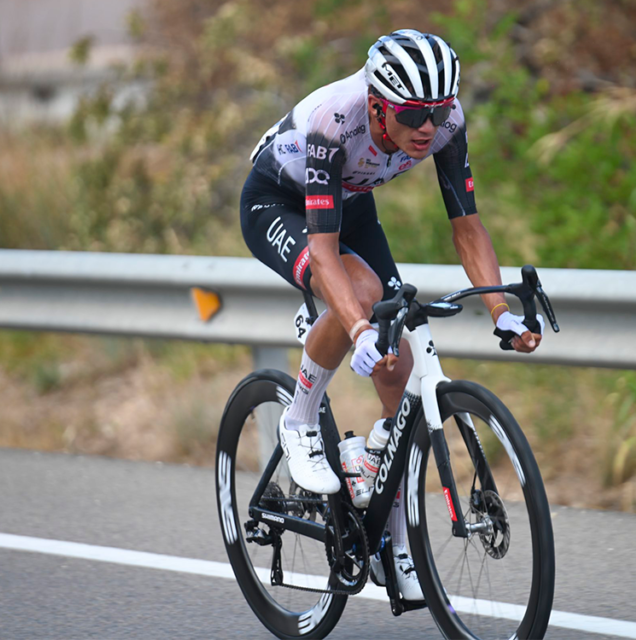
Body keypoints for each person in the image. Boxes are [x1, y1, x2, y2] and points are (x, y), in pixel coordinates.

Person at [240, 29, 543, 601]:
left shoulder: (445, 122)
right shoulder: (335, 121)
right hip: (278, 202)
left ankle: (394, 542)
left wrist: (501, 311)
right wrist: (357, 327)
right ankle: (299, 419)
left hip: (350, 205)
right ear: (378, 106)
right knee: (361, 292)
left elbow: (468, 227)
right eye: (411, 115)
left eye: (438, 111)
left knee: (398, 371)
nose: (427, 127)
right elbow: (324, 254)